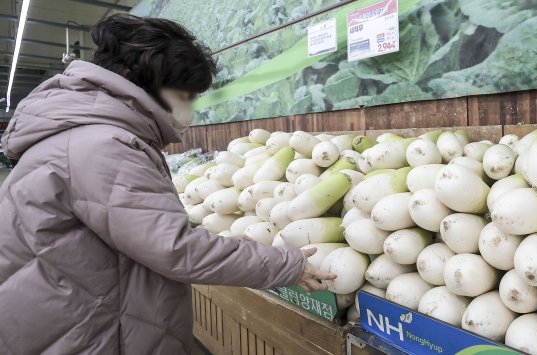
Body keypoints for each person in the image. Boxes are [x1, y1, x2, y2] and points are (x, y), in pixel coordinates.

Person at [0, 13, 335, 354]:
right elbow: (176, 248)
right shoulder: (101, 146)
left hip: (73, 315)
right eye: (185, 95)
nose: (189, 109)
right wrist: (287, 264)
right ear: (137, 79)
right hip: (79, 331)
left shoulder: (87, 132)